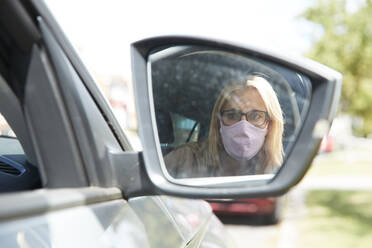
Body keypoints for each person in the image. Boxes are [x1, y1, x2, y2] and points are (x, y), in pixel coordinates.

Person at [164, 75, 284, 178]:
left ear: (270, 124)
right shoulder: (185, 159)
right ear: (218, 122)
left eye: (256, 116)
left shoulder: (280, 173)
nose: (243, 128)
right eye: (232, 115)